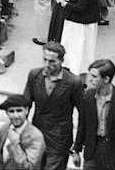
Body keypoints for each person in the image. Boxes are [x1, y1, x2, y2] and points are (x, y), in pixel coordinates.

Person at [22, 41, 83, 170]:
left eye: (52, 61)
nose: (47, 64)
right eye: (45, 60)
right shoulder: (34, 75)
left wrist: (77, 147)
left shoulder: (73, 82)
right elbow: (24, 105)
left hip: (59, 141)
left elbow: (84, 115)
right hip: (36, 136)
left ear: (62, 61)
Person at [71, 59, 115, 170]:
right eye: (89, 75)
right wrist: (76, 150)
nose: (89, 80)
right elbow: (82, 125)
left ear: (106, 79)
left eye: (94, 77)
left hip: (114, 154)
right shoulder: (87, 96)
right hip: (92, 151)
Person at [58, 0, 100, 75]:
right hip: (85, 19)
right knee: (80, 49)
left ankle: (75, 72)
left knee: (77, 49)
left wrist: (65, 3)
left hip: (81, 21)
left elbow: (80, 6)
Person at [0, 94, 46, 170]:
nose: (15, 116)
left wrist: (15, 143)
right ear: (7, 113)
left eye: (19, 111)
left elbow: (29, 167)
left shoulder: (35, 136)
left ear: (26, 110)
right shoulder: (5, 129)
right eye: (11, 111)